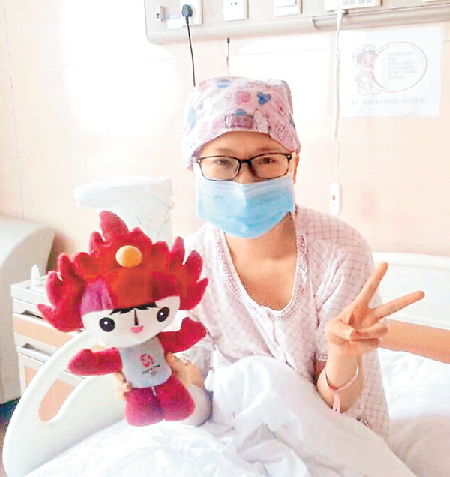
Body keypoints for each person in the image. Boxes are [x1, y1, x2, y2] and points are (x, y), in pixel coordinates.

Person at [116, 76, 424, 438]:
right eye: (222, 162)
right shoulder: (190, 265)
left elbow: (338, 409)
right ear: (194, 168)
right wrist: (169, 388)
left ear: (293, 165)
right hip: (246, 431)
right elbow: (199, 408)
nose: (245, 182)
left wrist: (342, 356)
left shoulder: (340, 252)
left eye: (266, 160)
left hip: (336, 434)